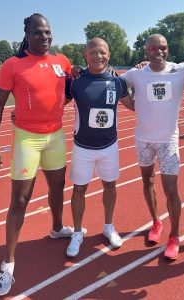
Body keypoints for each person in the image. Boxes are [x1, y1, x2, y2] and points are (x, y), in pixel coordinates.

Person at [0, 13, 76, 296]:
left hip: (56, 136)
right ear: (27, 34)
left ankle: (57, 227)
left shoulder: (62, 62)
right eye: (38, 33)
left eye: (48, 32)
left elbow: (68, 92)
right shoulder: (12, 65)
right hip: (28, 139)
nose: (45, 37)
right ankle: (9, 260)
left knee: (58, 186)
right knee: (21, 199)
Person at [122, 34, 184, 260]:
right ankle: (156, 222)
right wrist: (130, 102)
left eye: (163, 47)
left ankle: (174, 236)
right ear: (146, 51)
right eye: (154, 48)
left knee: (171, 189)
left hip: (168, 140)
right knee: (148, 181)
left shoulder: (180, 71)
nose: (159, 51)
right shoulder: (136, 73)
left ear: (168, 49)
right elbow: (114, 84)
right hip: (143, 139)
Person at [65, 38, 134, 257]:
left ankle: (108, 226)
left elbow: (132, 105)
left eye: (102, 52)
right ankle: (77, 232)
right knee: (78, 189)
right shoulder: (75, 80)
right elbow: (55, 103)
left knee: (110, 187)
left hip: (109, 146)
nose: (98, 56)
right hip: (82, 147)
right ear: (85, 54)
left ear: (109, 54)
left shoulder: (118, 81)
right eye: (93, 52)